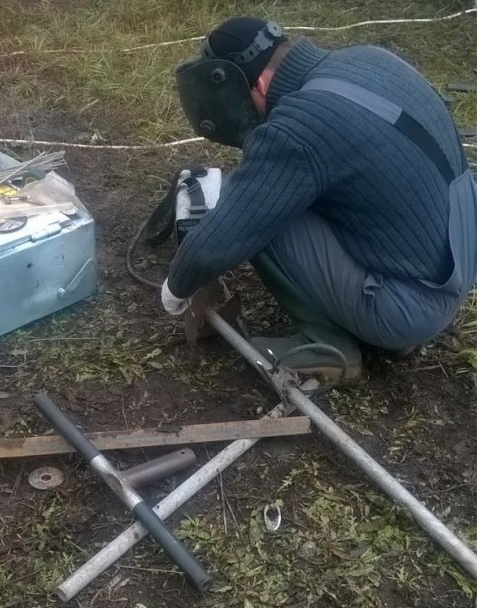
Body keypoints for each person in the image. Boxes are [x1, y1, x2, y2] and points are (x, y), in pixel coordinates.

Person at [160, 16, 477, 380]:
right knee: (280, 190)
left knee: (256, 206)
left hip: (408, 308)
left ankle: (328, 344)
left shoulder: (303, 123)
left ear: (258, 85)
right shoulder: (368, 58)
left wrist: (175, 288)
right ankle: (382, 319)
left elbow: (229, 229)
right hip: (457, 265)